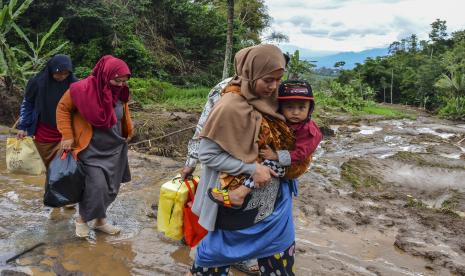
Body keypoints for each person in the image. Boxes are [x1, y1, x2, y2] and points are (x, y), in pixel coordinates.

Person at [188, 44, 298, 275]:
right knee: (214, 260)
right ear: (251, 73)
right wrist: (250, 168)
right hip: (236, 205)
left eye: (278, 79)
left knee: (279, 263)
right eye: (268, 79)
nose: (274, 86)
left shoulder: (274, 101)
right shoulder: (229, 106)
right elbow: (207, 154)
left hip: (275, 203)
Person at [208, 80, 322, 209]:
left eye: (301, 107)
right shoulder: (282, 121)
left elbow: (301, 153)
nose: (296, 112)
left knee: (267, 166)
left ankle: (239, 194)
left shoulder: (309, 130)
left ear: (310, 109)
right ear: (280, 107)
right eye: (289, 107)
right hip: (285, 162)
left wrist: (276, 155)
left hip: (294, 164)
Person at [56, 55, 133, 238]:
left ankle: (100, 221)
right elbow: (62, 108)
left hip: (114, 146)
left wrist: (128, 129)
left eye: (124, 81)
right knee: (96, 186)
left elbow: (123, 112)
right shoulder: (80, 89)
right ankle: (81, 219)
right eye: (117, 80)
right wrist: (67, 135)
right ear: (106, 76)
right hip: (91, 148)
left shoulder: (120, 91)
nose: (121, 84)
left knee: (111, 187)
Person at [17, 54, 78, 168]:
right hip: (43, 132)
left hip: (65, 133)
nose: (62, 77)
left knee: (63, 167)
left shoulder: (74, 85)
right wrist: (23, 127)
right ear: (51, 70)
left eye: (66, 73)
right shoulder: (37, 82)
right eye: (58, 73)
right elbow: (28, 104)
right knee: (46, 167)